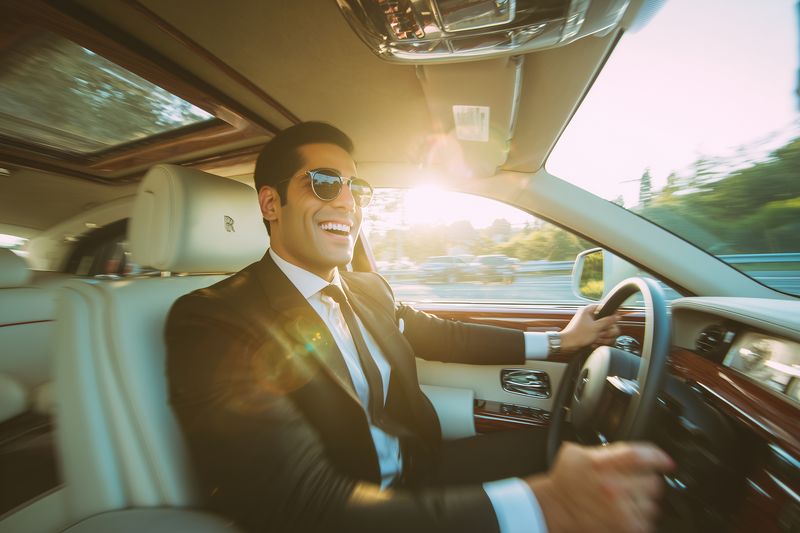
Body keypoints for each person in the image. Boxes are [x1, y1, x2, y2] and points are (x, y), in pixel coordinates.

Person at [165, 122, 673, 533]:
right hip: (352, 510)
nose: (347, 202)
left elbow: (443, 335)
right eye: (323, 183)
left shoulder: (368, 290)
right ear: (271, 205)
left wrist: (562, 341)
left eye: (356, 188)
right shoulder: (213, 320)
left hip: (418, 468)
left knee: (585, 454)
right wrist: (550, 508)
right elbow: (300, 501)